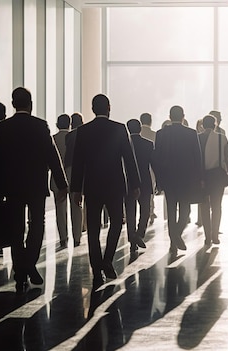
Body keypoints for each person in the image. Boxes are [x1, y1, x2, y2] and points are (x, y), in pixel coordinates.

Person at [0, 87, 68, 294]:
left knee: (16, 227)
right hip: (35, 184)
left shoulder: (4, 127)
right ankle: (29, 264)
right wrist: (62, 184)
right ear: (30, 104)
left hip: (12, 186)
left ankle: (21, 269)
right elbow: (52, 156)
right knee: (37, 224)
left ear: (13, 103)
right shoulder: (40, 125)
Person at [71, 94, 140, 284]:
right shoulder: (119, 128)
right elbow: (129, 158)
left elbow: (78, 162)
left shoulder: (84, 131)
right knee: (117, 222)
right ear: (109, 107)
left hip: (92, 186)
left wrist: (76, 189)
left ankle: (96, 266)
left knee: (93, 228)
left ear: (93, 109)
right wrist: (135, 184)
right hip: (115, 185)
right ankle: (108, 260)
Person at [152, 105, 203, 256]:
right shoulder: (191, 133)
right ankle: (176, 235)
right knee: (185, 210)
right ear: (183, 116)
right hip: (186, 179)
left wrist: (159, 180)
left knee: (171, 209)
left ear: (170, 116)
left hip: (168, 179)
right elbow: (197, 158)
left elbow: (156, 158)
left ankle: (173, 241)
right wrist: (199, 178)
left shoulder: (161, 134)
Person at [198, 115, 228, 246]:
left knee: (204, 206)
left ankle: (207, 235)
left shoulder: (197, 138)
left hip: (202, 176)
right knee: (217, 206)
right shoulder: (221, 138)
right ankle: (215, 234)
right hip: (218, 176)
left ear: (202, 125)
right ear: (215, 125)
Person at [125, 119, 152, 253]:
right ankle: (139, 233)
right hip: (145, 182)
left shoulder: (123, 145)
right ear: (140, 129)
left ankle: (132, 240)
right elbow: (154, 165)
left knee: (130, 212)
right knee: (146, 210)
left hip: (128, 182)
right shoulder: (148, 144)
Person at [50, 114, 72, 249]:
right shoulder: (75, 138)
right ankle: (77, 236)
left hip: (56, 178)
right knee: (76, 207)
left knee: (60, 208)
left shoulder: (53, 138)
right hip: (73, 175)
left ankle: (63, 237)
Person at [64, 112, 86, 239]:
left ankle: (75, 235)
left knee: (74, 202)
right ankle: (83, 228)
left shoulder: (69, 136)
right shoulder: (87, 133)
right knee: (85, 201)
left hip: (70, 168)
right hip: (85, 168)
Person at [139, 112, 157, 225]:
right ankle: (151, 210)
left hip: (139, 166)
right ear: (150, 121)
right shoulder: (155, 134)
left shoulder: (137, 133)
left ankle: (149, 211)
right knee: (151, 189)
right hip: (151, 166)